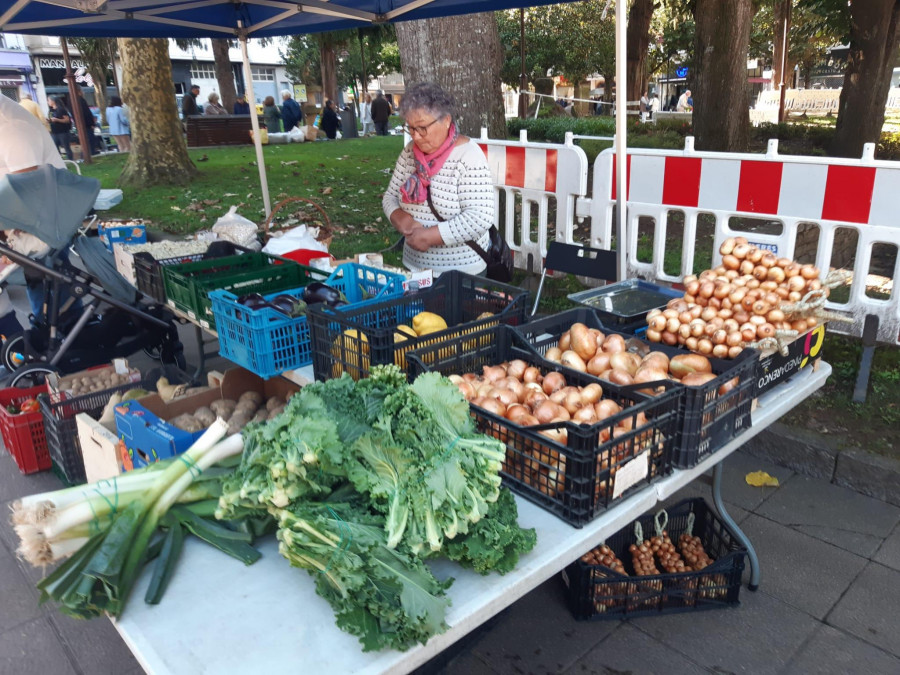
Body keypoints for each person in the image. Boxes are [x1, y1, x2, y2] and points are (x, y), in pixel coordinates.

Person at [382, 82, 493, 276]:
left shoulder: (468, 156)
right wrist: (405, 222)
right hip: (414, 268)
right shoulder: (409, 153)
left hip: (460, 274)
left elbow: (479, 218)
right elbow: (390, 197)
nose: (415, 136)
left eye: (422, 127)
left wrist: (429, 237)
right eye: (411, 128)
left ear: (446, 120)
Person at [0, 93, 67, 328]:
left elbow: (27, 191)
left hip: (39, 225)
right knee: (45, 286)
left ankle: (57, 334)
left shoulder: (10, 127)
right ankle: (50, 330)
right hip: (23, 223)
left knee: (54, 292)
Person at [72, 86, 100, 156]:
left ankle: (85, 154)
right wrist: (91, 124)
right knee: (89, 140)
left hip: (81, 125)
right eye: (82, 91)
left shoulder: (73, 100)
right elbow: (86, 113)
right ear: (79, 91)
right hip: (87, 125)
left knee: (86, 141)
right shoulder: (81, 100)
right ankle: (90, 154)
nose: (83, 92)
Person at [47, 96, 74, 161]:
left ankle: (71, 160)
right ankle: (59, 161)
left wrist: (57, 120)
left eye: (49, 100)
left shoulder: (61, 109)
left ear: (53, 101)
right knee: (55, 147)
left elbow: (67, 120)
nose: (48, 102)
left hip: (63, 132)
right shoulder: (51, 110)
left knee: (66, 147)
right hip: (54, 132)